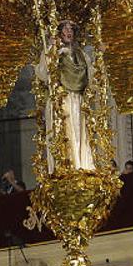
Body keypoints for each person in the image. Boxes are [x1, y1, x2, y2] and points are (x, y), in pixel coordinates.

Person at [39, 19, 95, 171]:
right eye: (65, 28)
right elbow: (43, 74)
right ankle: (68, 167)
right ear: (59, 33)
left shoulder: (82, 55)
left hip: (79, 99)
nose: (69, 31)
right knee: (66, 132)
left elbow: (91, 76)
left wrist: (101, 57)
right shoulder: (54, 53)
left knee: (81, 133)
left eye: (71, 29)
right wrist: (50, 49)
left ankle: (83, 166)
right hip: (62, 99)